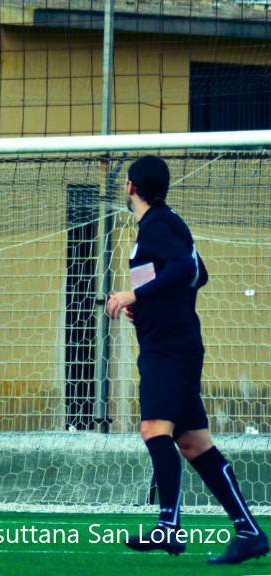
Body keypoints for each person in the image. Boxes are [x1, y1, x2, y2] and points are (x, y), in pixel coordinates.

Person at [107, 155, 268, 564]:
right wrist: (143, 307)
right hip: (171, 343)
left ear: (130, 187)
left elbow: (184, 267)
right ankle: (249, 533)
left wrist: (135, 295)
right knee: (194, 443)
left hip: (170, 349)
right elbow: (199, 273)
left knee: (153, 429)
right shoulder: (163, 226)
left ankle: (168, 527)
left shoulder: (160, 224)